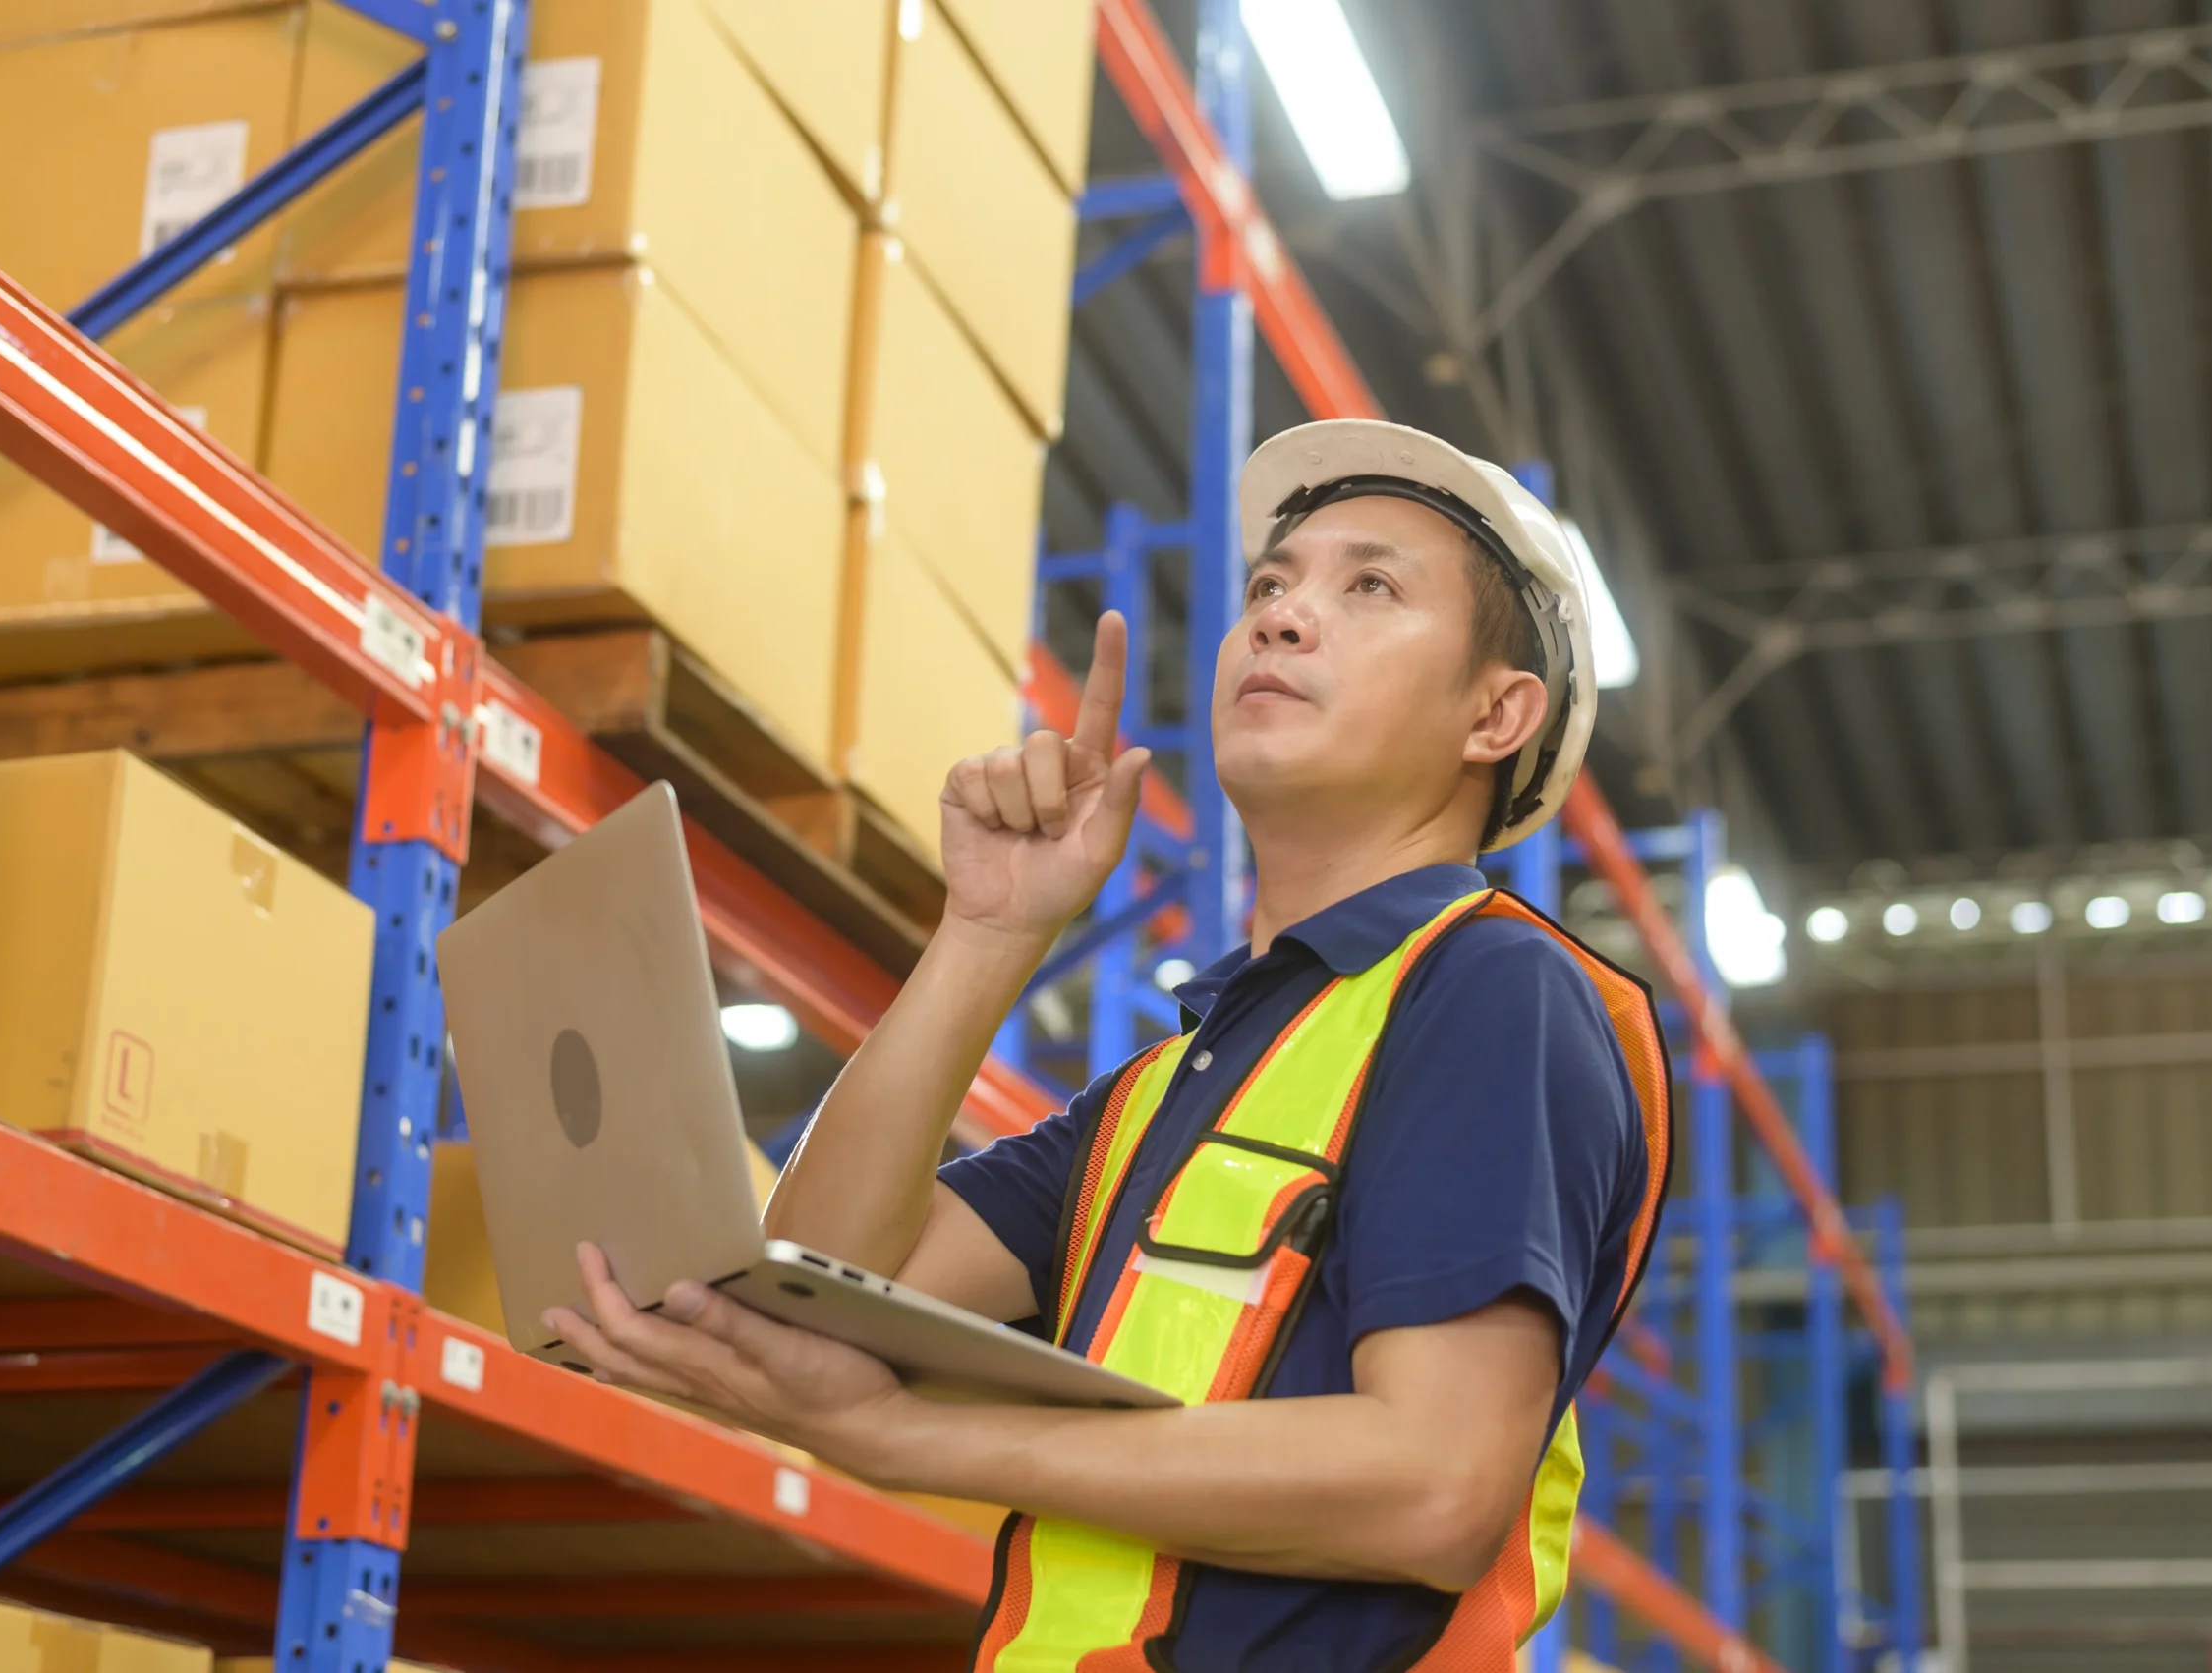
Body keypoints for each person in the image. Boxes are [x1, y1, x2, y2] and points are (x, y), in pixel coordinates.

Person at [545, 419, 1672, 1672]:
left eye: (1369, 586)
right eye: (1271, 584)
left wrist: (905, 1442)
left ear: (1495, 713)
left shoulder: (1488, 989)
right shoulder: (1155, 1094)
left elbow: (1434, 1486)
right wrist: (986, 930)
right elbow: (820, 1289)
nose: (1284, 617)